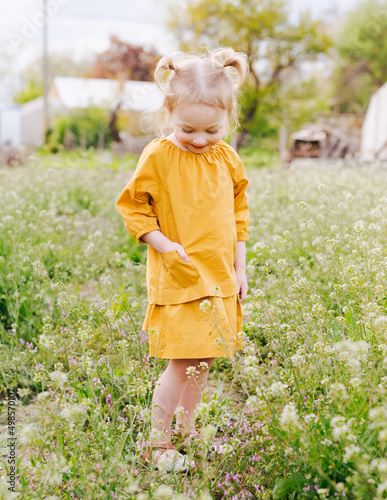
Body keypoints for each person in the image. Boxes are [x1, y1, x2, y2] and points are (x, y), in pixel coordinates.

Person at [116, 47, 250, 472]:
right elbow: (133, 207)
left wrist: (240, 267)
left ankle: (188, 435)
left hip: (220, 276)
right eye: (187, 127)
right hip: (180, 275)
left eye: (212, 129)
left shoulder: (227, 158)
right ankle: (159, 447)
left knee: (204, 361)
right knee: (180, 363)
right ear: (169, 110)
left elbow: (239, 215)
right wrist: (161, 243)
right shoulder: (158, 155)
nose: (198, 139)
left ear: (228, 117)